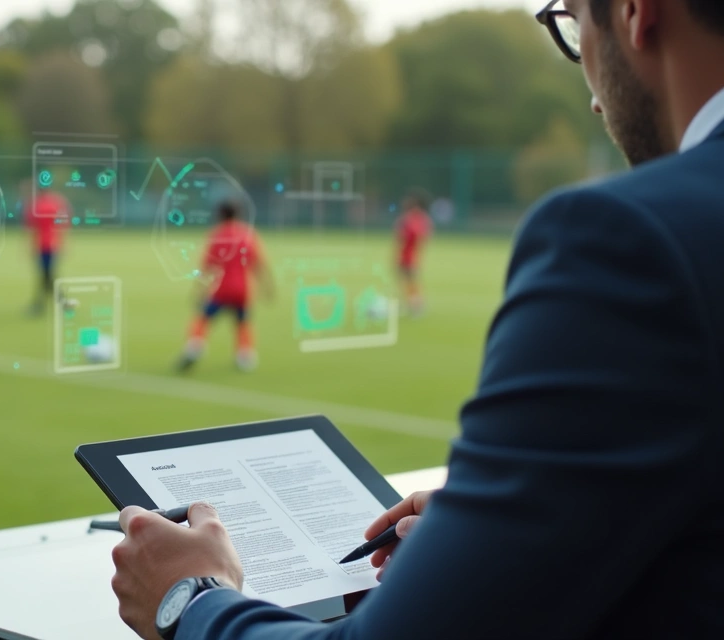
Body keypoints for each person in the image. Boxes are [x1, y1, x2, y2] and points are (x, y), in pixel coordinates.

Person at [110, 1, 724, 638]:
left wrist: (191, 597)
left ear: (634, 12)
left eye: (572, 26)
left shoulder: (629, 240)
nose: (593, 96)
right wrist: (496, 538)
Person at [177, 199, 273, 373]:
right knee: (242, 322)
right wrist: (267, 287)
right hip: (243, 289)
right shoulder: (248, 234)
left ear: (220, 214)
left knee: (203, 317)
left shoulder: (217, 235)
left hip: (220, 288)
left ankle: (195, 347)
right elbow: (259, 264)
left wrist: (199, 289)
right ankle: (245, 356)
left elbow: (207, 266)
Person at [23, 181, 71, 316]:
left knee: (46, 275)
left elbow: (31, 227)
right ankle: (58, 302)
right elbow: (63, 225)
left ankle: (42, 304)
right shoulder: (57, 202)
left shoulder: (35, 205)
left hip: (42, 244)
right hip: (53, 244)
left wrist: (28, 245)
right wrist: (65, 244)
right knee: (47, 275)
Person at [396, 190, 433, 316]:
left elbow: (416, 236)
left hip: (411, 256)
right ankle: (411, 304)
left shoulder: (416, 219)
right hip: (405, 255)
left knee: (412, 282)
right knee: (406, 282)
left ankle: (417, 306)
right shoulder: (409, 218)